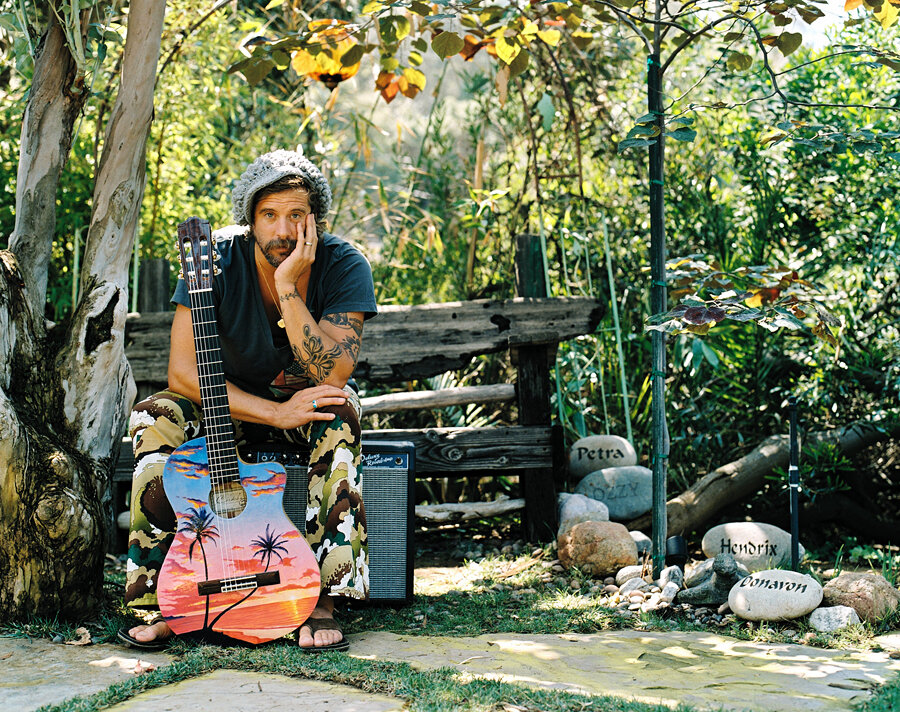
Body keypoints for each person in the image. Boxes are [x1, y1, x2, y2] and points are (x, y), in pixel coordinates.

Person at [118, 149, 376, 652]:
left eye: (296, 215)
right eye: (269, 215)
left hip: (306, 408)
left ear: (315, 219)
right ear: (249, 219)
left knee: (340, 412)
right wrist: (272, 411)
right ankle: (160, 598)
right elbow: (182, 372)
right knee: (155, 415)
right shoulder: (213, 259)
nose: (283, 230)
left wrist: (287, 289)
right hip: (226, 406)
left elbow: (335, 372)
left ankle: (321, 597)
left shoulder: (343, 264)